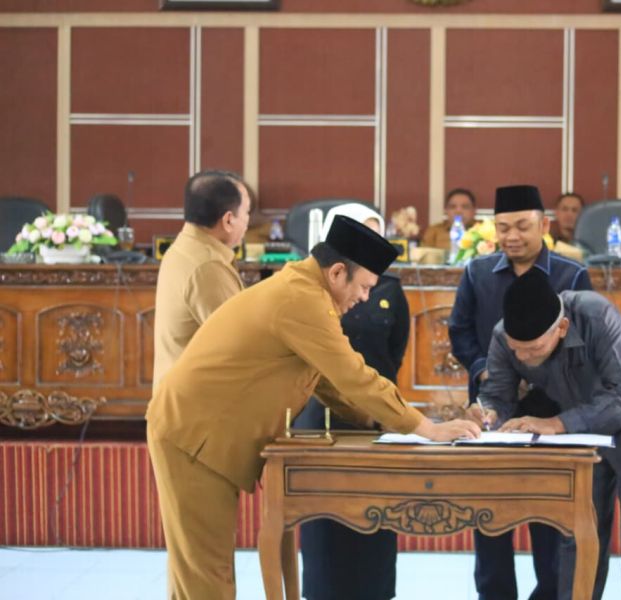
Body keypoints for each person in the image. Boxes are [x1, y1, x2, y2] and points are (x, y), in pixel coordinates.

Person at [146, 215, 480, 599]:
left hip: (200, 433)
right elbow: (353, 375)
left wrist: (376, 420)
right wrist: (427, 428)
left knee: (200, 574)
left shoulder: (305, 290)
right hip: (192, 435)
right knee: (207, 578)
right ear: (337, 272)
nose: (366, 298)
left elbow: (326, 381)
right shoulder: (301, 299)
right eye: (364, 287)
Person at [469, 268, 621, 600]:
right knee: (580, 526)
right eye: (516, 349)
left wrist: (557, 424)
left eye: (533, 349)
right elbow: (497, 395)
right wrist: (488, 413)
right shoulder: (502, 336)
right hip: (579, 421)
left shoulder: (595, 313)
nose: (523, 358)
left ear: (562, 328)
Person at [448, 184, 592, 600]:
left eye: (522, 227)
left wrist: (544, 371)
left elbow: (584, 341)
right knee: (489, 518)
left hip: (552, 412)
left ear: (544, 225)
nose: (511, 237)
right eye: (503, 228)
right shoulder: (477, 272)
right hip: (491, 408)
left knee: (550, 521)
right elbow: (459, 329)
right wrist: (485, 370)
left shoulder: (571, 275)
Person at [294, 204, 409, 600]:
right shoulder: (310, 292)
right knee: (324, 529)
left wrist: (381, 406)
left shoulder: (389, 288)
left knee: (378, 522)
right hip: (321, 420)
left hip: (378, 422)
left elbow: (395, 353)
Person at [153, 169, 251, 392]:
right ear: (228, 220)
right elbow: (242, 345)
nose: (247, 221)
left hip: (177, 395)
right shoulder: (207, 266)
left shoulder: (184, 246)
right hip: (197, 402)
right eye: (246, 212)